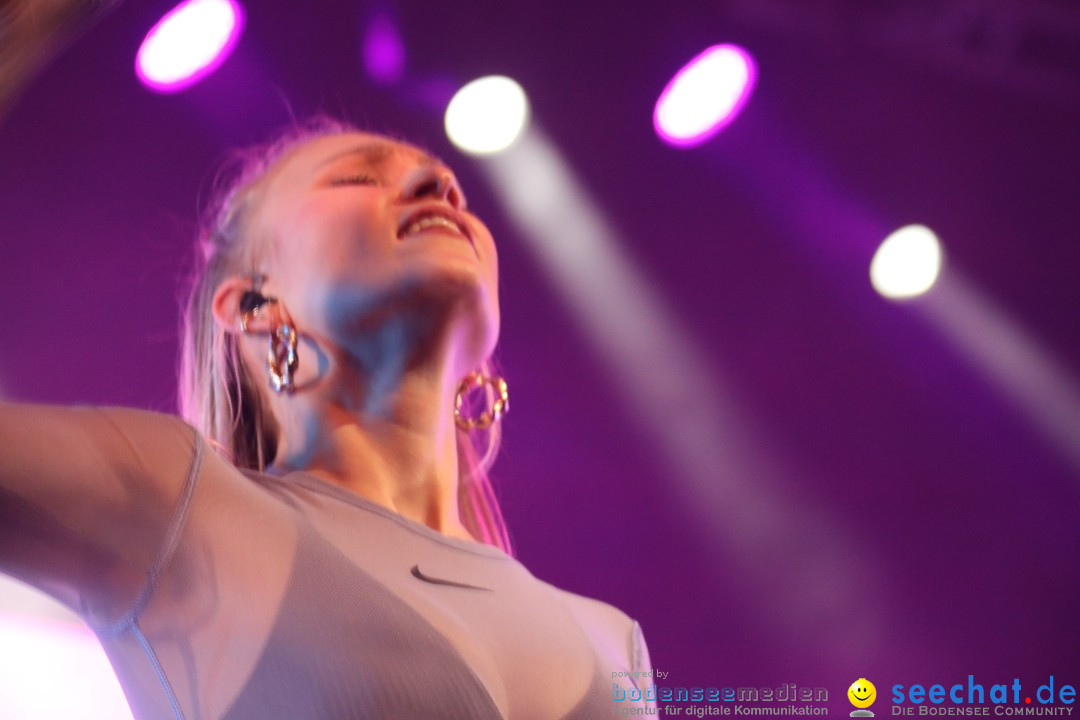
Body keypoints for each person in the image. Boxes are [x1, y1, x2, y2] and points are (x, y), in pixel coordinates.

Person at [0, 117, 657, 719]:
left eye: (454, 193)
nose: (442, 183)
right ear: (255, 306)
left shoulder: (615, 641)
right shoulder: (178, 510)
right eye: (360, 176)